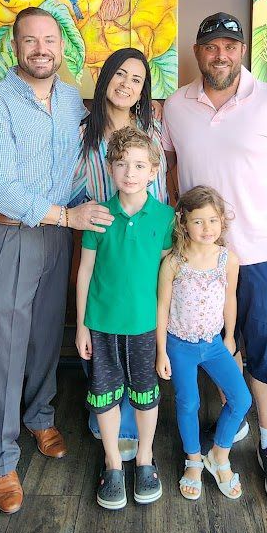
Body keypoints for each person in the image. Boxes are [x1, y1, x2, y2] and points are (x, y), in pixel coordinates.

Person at [161, 12, 267, 508]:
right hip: (197, 259)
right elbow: (170, 164)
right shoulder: (176, 106)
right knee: (209, 338)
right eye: (211, 47)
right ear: (197, 52)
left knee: (265, 346)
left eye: (230, 46)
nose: (220, 55)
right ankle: (231, 422)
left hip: (257, 251)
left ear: (242, 51)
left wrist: (257, 197)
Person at [0, 6, 113, 515]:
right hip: (9, 235)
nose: (41, 49)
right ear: (15, 47)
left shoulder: (71, 100)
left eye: (49, 40)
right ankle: (1, 460)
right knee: (6, 350)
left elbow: (89, 158)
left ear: (61, 46)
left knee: (47, 334)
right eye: (30, 40)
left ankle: (39, 417)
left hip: (56, 236)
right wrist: (67, 216)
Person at [71, 47, 169, 460]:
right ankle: (108, 408)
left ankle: (133, 417)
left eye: (137, 79)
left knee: (141, 335)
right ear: (106, 77)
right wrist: (81, 213)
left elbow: (162, 188)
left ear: (144, 90)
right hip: (104, 239)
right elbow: (68, 187)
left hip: (145, 240)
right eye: (120, 74)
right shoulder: (83, 133)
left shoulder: (152, 128)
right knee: (104, 333)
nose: (126, 84)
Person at [75, 126, 174, 510]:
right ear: (109, 168)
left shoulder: (164, 218)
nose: (130, 173)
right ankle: (113, 463)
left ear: (153, 171)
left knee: (145, 396)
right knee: (104, 397)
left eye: (139, 165)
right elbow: (85, 272)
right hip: (101, 325)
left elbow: (166, 279)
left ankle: (145, 459)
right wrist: (82, 325)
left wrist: (163, 337)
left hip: (145, 326)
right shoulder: (98, 215)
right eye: (121, 164)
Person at [156, 186, 252, 500]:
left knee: (241, 399)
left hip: (213, 344)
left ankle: (219, 455)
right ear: (184, 223)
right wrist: (161, 351)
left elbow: (230, 300)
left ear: (222, 221)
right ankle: (194, 460)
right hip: (179, 344)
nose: (207, 228)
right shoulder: (174, 262)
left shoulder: (228, 260)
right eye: (198, 221)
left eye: (212, 220)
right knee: (188, 403)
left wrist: (229, 336)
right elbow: (162, 307)